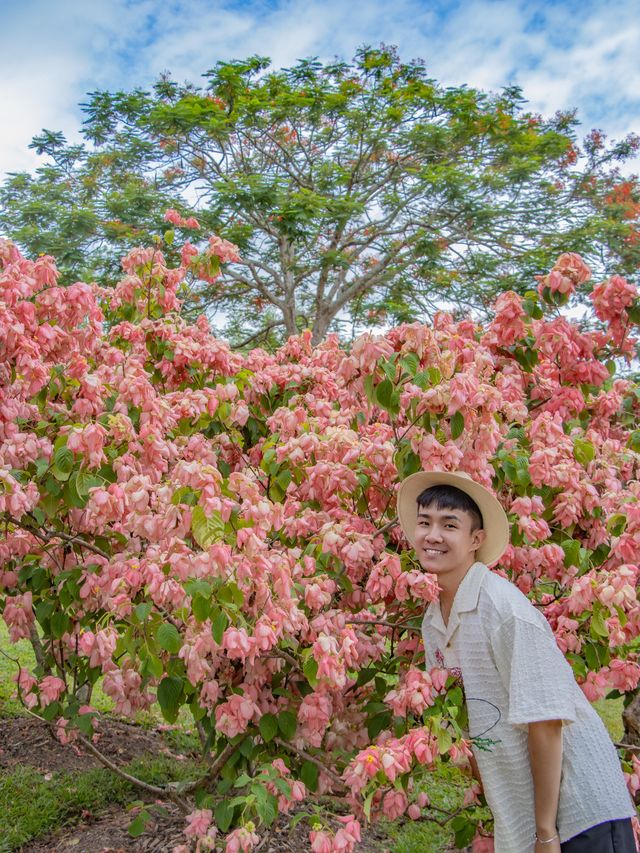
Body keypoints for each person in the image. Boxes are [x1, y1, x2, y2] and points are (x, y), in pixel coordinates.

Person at [396, 470, 637, 853]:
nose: (433, 535)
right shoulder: (434, 620)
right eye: (424, 522)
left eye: (449, 524)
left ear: (476, 539)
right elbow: (462, 714)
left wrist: (546, 833)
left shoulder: (503, 609)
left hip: (579, 809)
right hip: (532, 811)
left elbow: (545, 718)